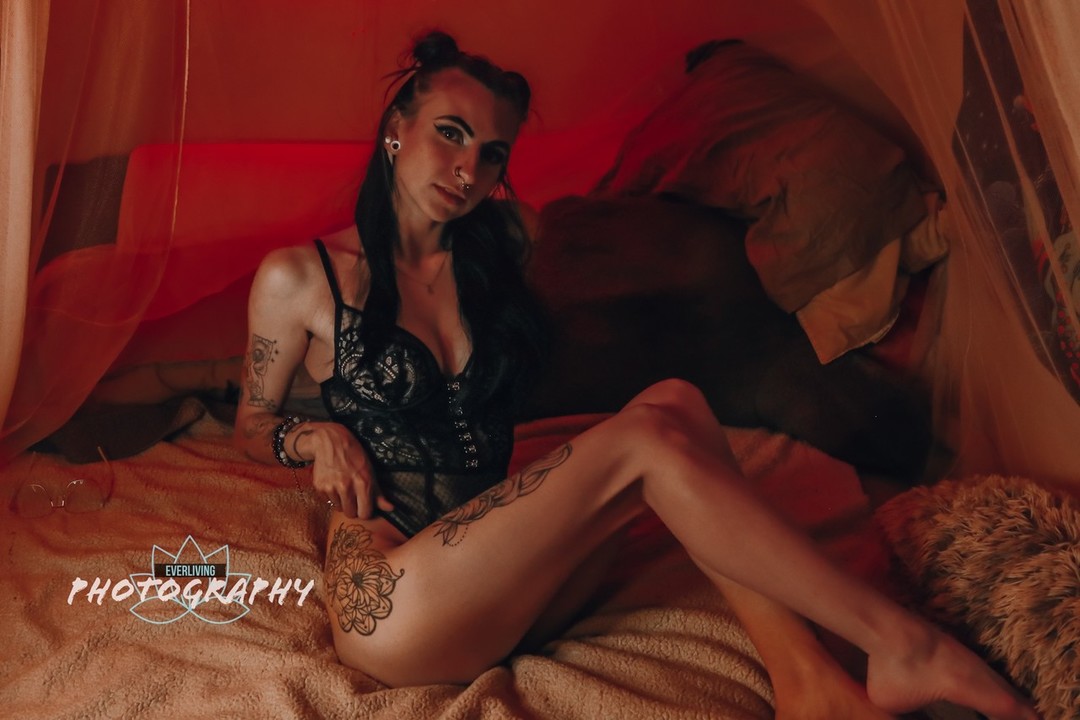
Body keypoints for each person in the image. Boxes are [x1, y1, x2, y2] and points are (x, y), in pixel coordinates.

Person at [233, 30, 1038, 720]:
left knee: (674, 403)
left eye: (491, 153)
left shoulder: (505, 246)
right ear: (395, 130)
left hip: (508, 578)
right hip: (398, 605)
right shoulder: (301, 278)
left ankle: (810, 683)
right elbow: (250, 424)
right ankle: (903, 646)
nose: (468, 168)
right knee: (648, 440)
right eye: (450, 133)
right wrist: (315, 435)